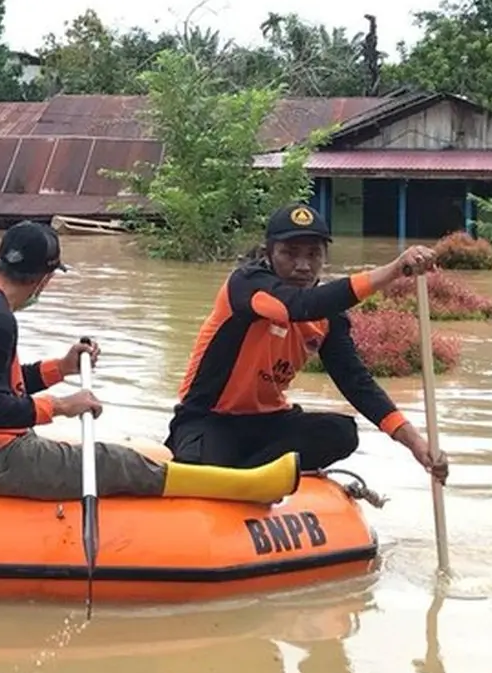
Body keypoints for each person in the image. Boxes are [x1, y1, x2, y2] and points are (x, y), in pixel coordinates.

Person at [0, 221, 299, 503]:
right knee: (115, 462)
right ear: (43, 279)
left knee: (121, 455)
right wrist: (61, 406)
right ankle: (247, 488)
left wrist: (61, 367)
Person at [165, 202, 450, 481]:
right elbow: (297, 307)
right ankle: (242, 479)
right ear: (268, 254)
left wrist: (415, 442)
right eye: (290, 253)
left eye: (314, 254)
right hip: (210, 419)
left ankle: (252, 479)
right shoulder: (246, 285)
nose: (303, 266)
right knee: (201, 467)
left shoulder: (328, 317)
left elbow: (356, 382)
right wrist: (394, 269)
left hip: (270, 424)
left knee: (341, 433)